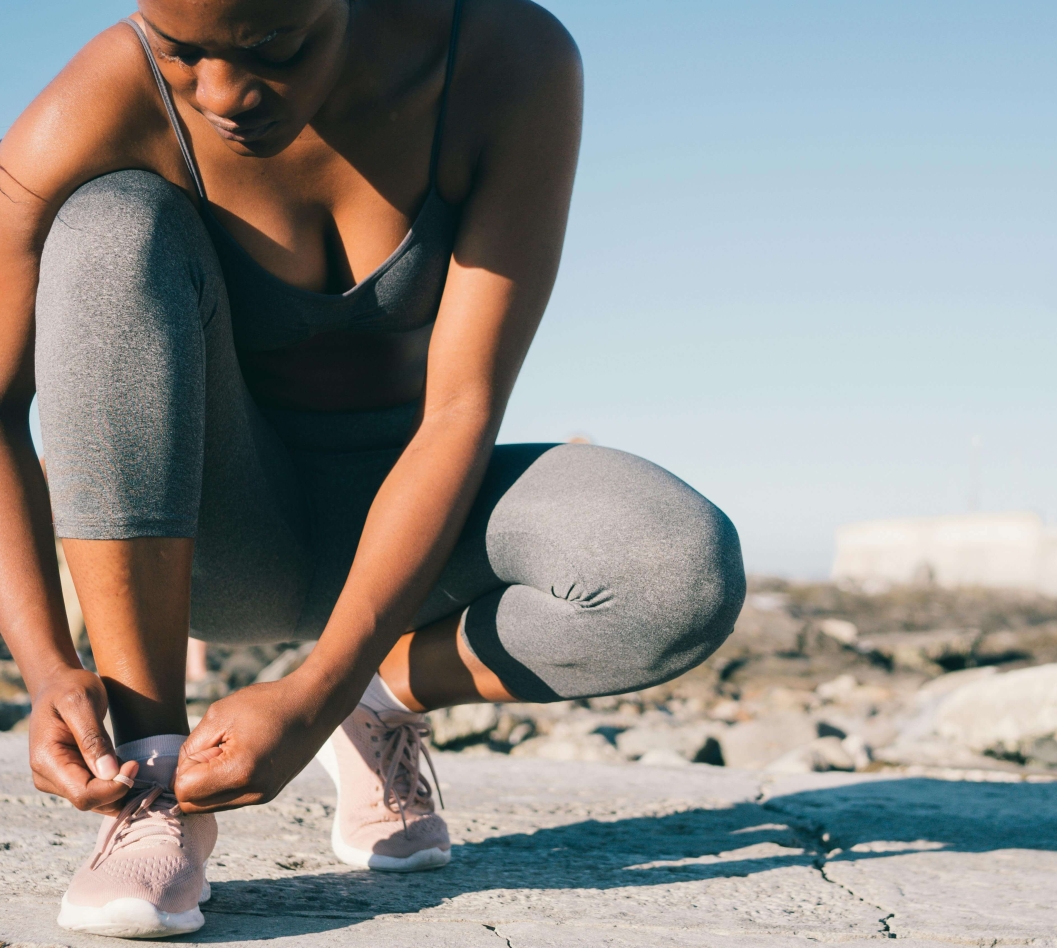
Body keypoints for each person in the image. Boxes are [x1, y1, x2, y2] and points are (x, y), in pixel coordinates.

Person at [0, 0, 745, 938]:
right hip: (218, 535)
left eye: (273, 45)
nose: (223, 93)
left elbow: (459, 412)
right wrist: (46, 666)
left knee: (675, 568)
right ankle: (152, 781)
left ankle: (376, 700)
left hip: (418, 520)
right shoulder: (100, 99)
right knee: (109, 223)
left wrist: (320, 690)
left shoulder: (507, 61)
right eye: (182, 52)